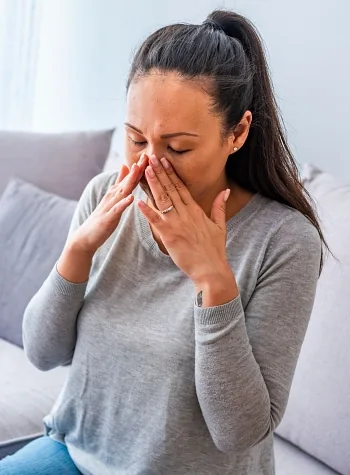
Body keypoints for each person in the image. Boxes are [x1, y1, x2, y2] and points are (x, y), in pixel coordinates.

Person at [1, 9, 326, 475]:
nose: (152, 167)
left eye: (178, 149)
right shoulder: (104, 194)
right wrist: (77, 253)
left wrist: (213, 281)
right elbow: (43, 352)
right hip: (75, 454)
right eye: (136, 140)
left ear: (237, 132)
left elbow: (239, 432)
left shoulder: (284, 241)